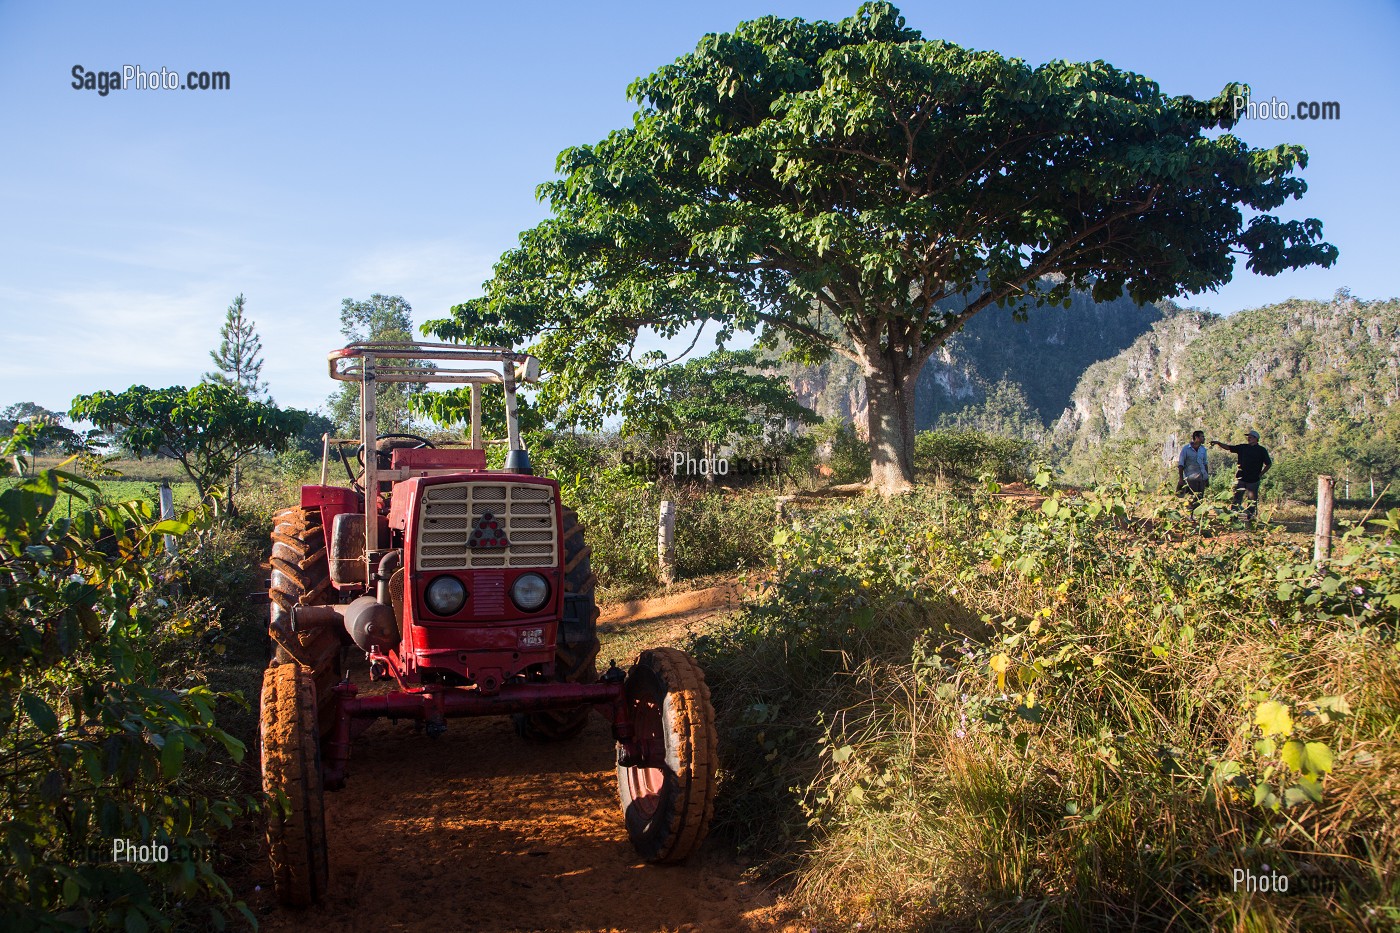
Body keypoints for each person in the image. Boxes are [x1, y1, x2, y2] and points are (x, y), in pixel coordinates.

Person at [1211, 430, 1272, 525]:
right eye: (1248, 436)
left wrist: (1260, 474)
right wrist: (1218, 443)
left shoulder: (1261, 450)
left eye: (1251, 437)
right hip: (1241, 478)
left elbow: (1268, 464)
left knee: (1252, 501)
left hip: (1253, 480)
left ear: (1256, 439)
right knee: (1236, 499)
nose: (1249, 438)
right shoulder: (1243, 447)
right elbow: (1228, 447)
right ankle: (1233, 517)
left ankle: (1251, 519)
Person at [1176, 430, 1210, 504]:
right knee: (1193, 498)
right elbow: (1181, 464)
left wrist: (1206, 478)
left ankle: (1196, 514)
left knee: (1200, 498)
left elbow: (1205, 464)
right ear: (1196, 437)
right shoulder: (1186, 449)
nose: (1204, 438)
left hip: (1202, 478)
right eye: (1202, 437)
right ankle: (1191, 514)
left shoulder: (1203, 449)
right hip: (1191, 478)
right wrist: (1181, 479)